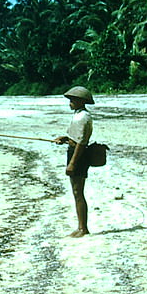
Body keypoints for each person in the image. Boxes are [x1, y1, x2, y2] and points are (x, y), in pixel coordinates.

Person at [53, 86, 94, 237]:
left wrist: (72, 163)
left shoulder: (83, 117)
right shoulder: (78, 115)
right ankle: (81, 226)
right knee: (76, 192)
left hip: (79, 155)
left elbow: (81, 143)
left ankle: (83, 228)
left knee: (78, 192)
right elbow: (75, 137)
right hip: (74, 152)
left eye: (72, 100)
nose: (69, 103)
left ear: (81, 101)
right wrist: (64, 138)